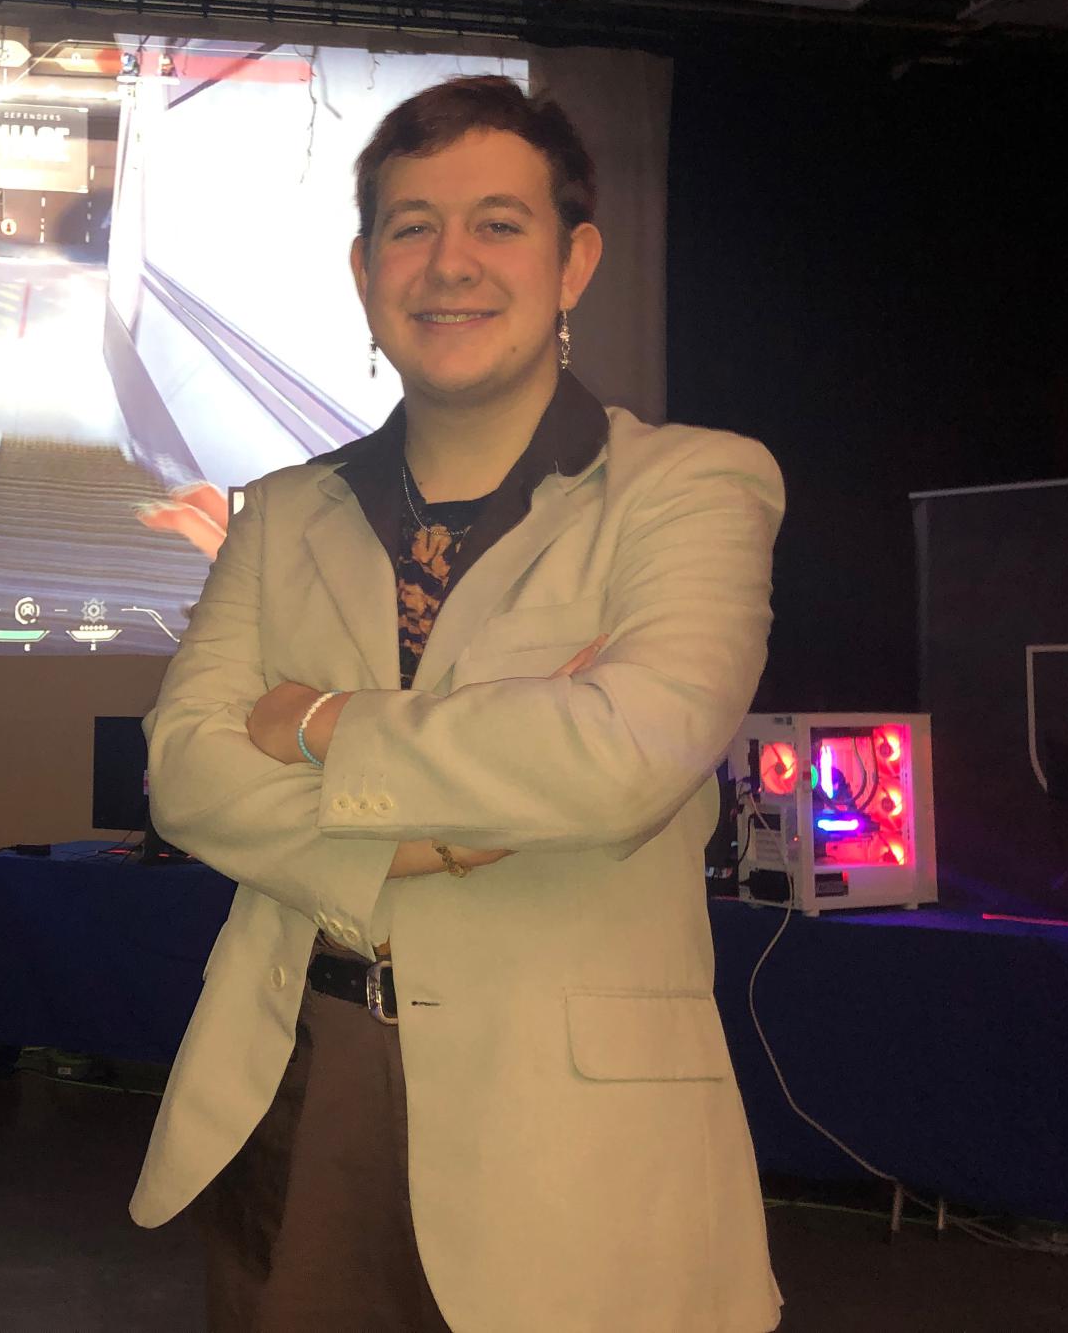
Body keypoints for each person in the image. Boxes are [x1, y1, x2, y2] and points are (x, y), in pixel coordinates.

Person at [130, 76, 784, 1333]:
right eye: (410, 225)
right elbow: (188, 771)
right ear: (365, 265)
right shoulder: (279, 511)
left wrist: (316, 725)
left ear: (573, 259)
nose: (450, 264)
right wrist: (418, 840)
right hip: (304, 1080)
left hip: (574, 1124)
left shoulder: (689, 487)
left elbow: (624, 756)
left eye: (497, 223)